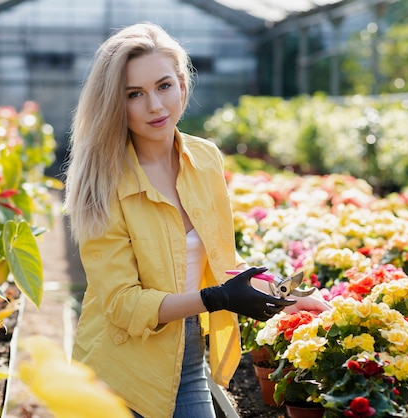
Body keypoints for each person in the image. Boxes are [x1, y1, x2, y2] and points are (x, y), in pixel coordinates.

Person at [62, 22, 330, 418]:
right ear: (114, 104)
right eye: (134, 94)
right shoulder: (100, 182)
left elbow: (224, 264)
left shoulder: (203, 159)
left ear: (183, 85)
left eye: (164, 86)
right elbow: (121, 304)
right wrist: (215, 298)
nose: (155, 106)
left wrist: (292, 299)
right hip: (116, 371)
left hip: (187, 355)